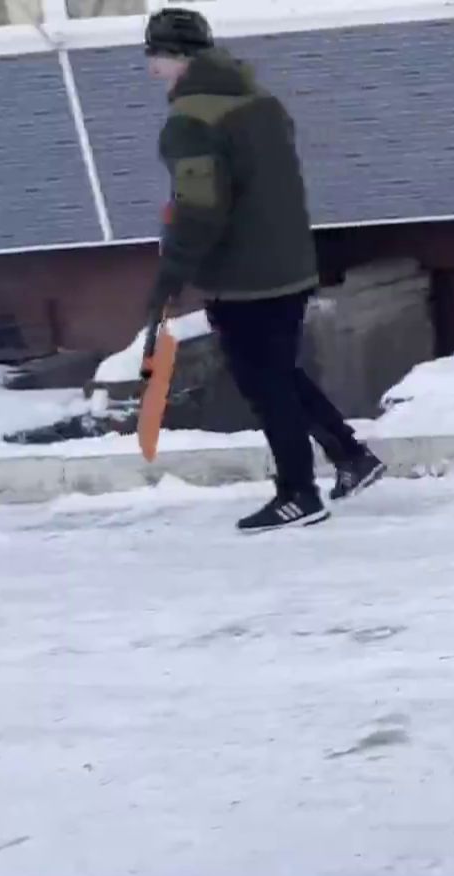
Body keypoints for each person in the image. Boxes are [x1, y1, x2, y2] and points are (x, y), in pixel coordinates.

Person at [143, 8, 384, 533]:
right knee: (278, 372)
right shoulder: (260, 102)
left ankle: (299, 494)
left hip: (243, 277)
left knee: (265, 384)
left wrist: (173, 272)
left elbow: (199, 208)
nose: (150, 66)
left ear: (173, 56)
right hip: (290, 262)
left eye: (153, 54)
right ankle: (351, 456)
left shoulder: (191, 121)